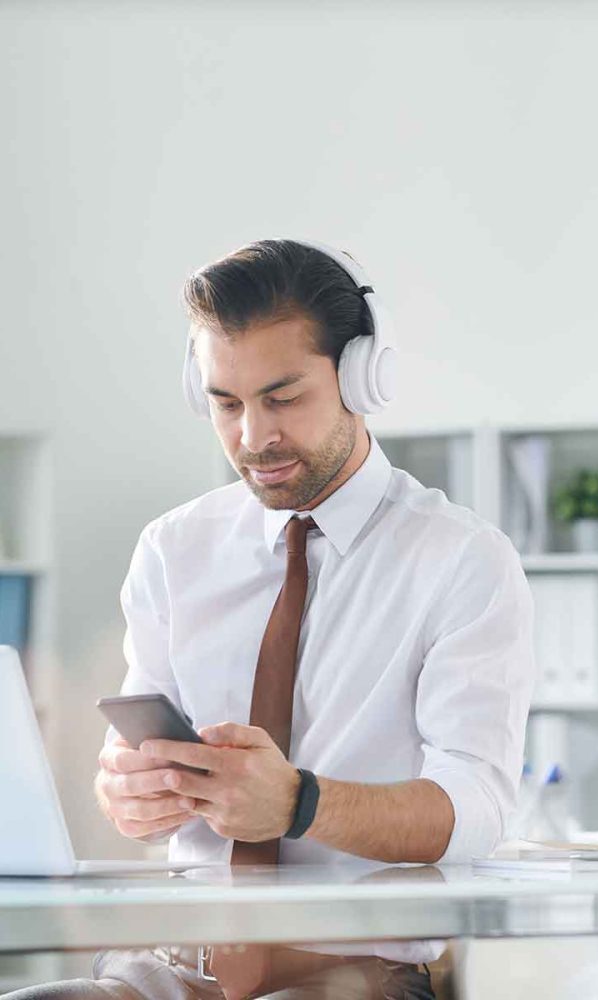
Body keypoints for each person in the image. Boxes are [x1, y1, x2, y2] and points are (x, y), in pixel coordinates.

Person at [6, 240, 534, 1000]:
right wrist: (131, 793)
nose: (253, 438)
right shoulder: (173, 548)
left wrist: (298, 803)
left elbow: (477, 808)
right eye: (226, 403)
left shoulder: (461, 560)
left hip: (350, 977)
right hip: (168, 971)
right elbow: (138, 780)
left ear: (361, 377)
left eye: (282, 397)